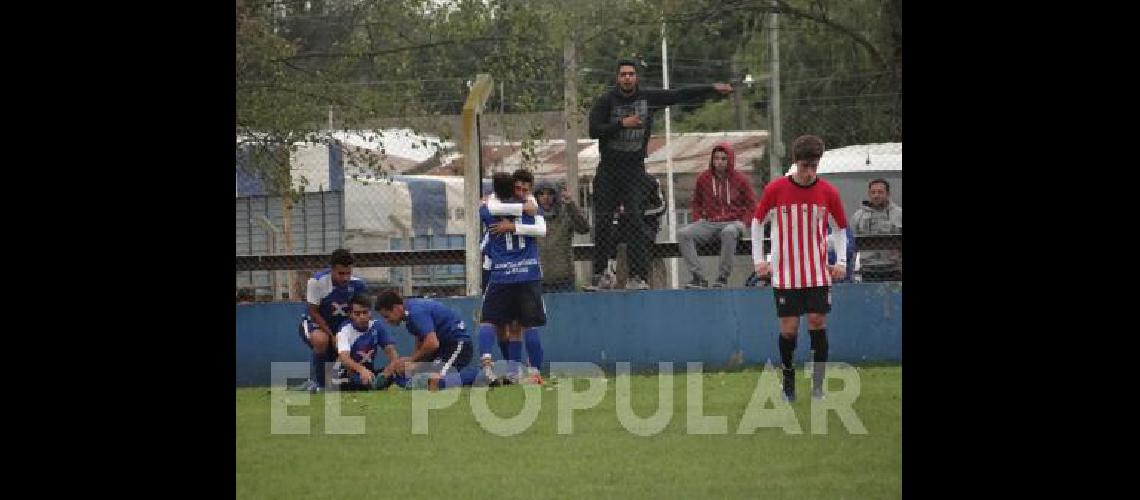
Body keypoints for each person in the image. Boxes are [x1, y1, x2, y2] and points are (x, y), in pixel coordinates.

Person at [587, 59, 733, 290]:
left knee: (635, 220)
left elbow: (679, 95)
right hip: (609, 168)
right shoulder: (607, 101)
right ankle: (600, 274)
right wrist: (622, 124)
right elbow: (594, 130)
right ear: (617, 78)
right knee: (604, 219)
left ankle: (637, 277)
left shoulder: (648, 98)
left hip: (633, 169)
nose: (627, 78)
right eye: (623, 74)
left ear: (636, 78)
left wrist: (711, 89)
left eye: (631, 74)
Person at [751, 135, 849, 402]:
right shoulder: (776, 189)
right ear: (796, 162)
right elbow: (757, 223)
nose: (810, 172)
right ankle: (788, 385)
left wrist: (840, 262)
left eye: (815, 166)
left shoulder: (828, 191)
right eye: (806, 165)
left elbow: (840, 227)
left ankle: (818, 387)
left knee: (817, 321)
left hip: (817, 272)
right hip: (785, 273)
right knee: (789, 329)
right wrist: (759, 260)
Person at [477, 172, 548, 385]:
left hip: (502, 275)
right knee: (526, 326)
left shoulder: (488, 209)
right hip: (528, 274)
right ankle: (530, 372)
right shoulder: (530, 209)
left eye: (526, 189)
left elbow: (488, 209)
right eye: (519, 188)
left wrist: (509, 224)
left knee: (489, 320)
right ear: (513, 188)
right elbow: (542, 229)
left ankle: (490, 368)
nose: (522, 192)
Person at [679, 142, 757, 288]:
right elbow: (696, 202)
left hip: (734, 222)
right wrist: (698, 220)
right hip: (710, 222)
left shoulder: (741, 179)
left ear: (730, 160)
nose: (719, 162)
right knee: (684, 234)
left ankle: (722, 277)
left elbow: (752, 205)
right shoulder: (704, 178)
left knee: (728, 232)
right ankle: (698, 277)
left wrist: (744, 222)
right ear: (712, 160)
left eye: (723, 159)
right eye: (716, 158)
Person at [292, 249, 367, 393]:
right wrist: (333, 335)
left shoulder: (358, 286)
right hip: (316, 324)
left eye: (348, 273)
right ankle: (320, 385)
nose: (345, 278)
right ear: (331, 269)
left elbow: (360, 312)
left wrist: (346, 334)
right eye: (341, 273)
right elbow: (313, 312)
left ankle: (344, 380)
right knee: (321, 340)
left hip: (341, 327)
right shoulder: (316, 282)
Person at [374, 290, 477, 391]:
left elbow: (432, 343)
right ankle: (393, 377)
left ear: (396, 308)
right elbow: (421, 340)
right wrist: (410, 364)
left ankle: (482, 375)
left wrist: (412, 360)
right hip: (442, 348)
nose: (386, 321)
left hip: (457, 344)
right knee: (411, 376)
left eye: (387, 316)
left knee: (436, 383)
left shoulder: (416, 312)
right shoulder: (409, 315)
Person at [336, 294, 408, 390]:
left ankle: (409, 386)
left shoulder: (377, 326)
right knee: (361, 383)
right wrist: (361, 370)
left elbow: (392, 353)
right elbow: (344, 358)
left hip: (370, 372)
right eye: (357, 314)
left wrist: (389, 370)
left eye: (365, 312)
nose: (362, 317)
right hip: (349, 373)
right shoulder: (344, 330)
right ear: (350, 314)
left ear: (370, 313)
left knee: (401, 368)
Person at [535, 180, 591, 293]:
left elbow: (584, 228)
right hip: (538, 279)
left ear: (555, 195)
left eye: (550, 193)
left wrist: (570, 204)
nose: (545, 197)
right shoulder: (532, 218)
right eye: (541, 194)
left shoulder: (565, 214)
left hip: (564, 280)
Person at [850, 178, 902, 281]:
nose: (876, 195)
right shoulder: (858, 216)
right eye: (873, 192)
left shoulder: (899, 215)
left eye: (880, 192)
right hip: (867, 271)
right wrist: (851, 270)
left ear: (888, 194)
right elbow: (850, 245)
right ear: (869, 194)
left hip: (895, 270)